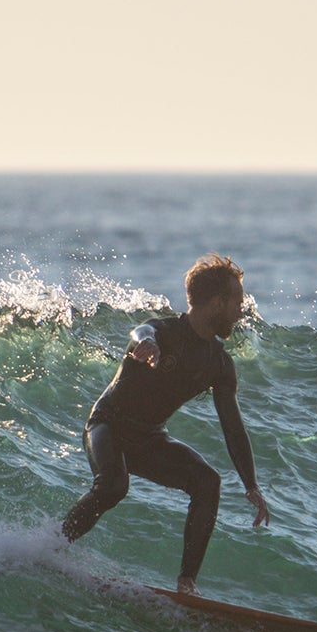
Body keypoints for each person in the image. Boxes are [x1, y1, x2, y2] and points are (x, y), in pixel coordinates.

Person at [61, 254, 271, 593]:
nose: (240, 310)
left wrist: (252, 485)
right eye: (236, 302)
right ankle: (54, 546)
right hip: (108, 425)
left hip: (147, 438)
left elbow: (232, 426)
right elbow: (142, 329)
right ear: (216, 303)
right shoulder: (162, 332)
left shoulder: (219, 364)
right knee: (114, 486)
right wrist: (146, 344)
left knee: (207, 482)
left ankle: (186, 584)